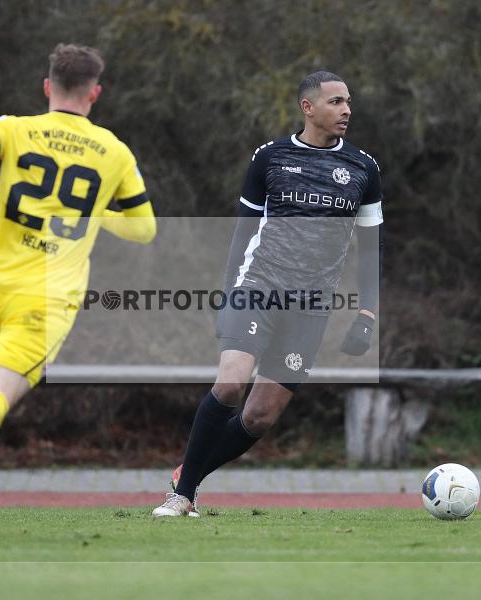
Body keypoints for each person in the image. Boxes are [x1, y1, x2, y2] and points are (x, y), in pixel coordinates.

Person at [0, 43, 156, 538]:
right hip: (46, 297)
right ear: (95, 93)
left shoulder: (11, 127)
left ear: (48, 86)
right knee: (4, 388)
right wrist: (93, 214)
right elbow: (145, 229)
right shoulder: (114, 151)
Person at [153, 71, 382, 517]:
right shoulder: (270, 157)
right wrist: (227, 295)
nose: (347, 110)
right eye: (335, 102)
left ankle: (188, 475)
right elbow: (241, 235)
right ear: (308, 107)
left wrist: (368, 314)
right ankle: (181, 498)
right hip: (259, 287)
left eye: (348, 101)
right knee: (232, 380)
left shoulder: (364, 168)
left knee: (260, 417)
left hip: (312, 307)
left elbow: (372, 250)